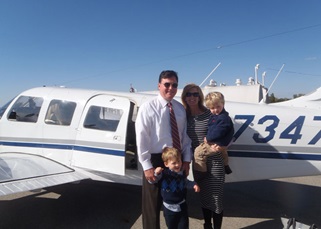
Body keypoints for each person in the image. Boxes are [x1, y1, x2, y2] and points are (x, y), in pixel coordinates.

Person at [135, 70, 192, 229]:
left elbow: (185, 137)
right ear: (159, 85)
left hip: (176, 160)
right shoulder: (148, 107)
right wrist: (147, 166)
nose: (170, 88)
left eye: (174, 85)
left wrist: (186, 159)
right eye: (167, 84)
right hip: (155, 160)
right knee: (152, 207)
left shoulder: (180, 109)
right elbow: (142, 138)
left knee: (177, 201)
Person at [181, 84, 226, 229]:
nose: (192, 97)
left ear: (200, 96)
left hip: (214, 161)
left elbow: (227, 128)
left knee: (216, 199)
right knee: (204, 197)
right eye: (188, 94)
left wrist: (224, 145)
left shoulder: (211, 113)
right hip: (199, 163)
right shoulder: (183, 115)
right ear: (184, 97)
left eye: (195, 94)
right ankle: (207, 225)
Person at [151, 147, 200, 229]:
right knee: (171, 226)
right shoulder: (164, 174)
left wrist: (193, 185)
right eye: (174, 163)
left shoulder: (181, 173)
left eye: (179, 161)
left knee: (183, 226)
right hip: (169, 208)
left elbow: (186, 182)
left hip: (182, 205)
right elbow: (153, 181)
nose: (177, 164)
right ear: (166, 164)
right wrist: (156, 173)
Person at [194, 91, 234, 175]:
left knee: (198, 152)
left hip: (216, 142)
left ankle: (201, 172)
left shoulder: (222, 118)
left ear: (223, 104)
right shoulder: (222, 117)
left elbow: (218, 132)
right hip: (223, 143)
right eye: (212, 108)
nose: (215, 110)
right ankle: (226, 165)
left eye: (218, 106)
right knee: (224, 153)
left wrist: (208, 138)